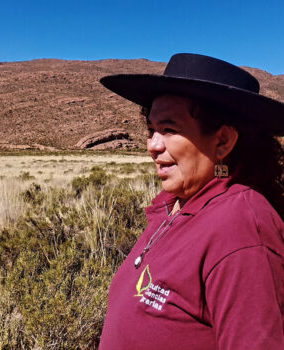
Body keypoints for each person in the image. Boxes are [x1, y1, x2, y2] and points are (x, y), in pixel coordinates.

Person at [98, 53, 284, 350]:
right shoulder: (175, 206)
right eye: (151, 130)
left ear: (223, 141)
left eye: (169, 129)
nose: (153, 146)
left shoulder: (241, 230)